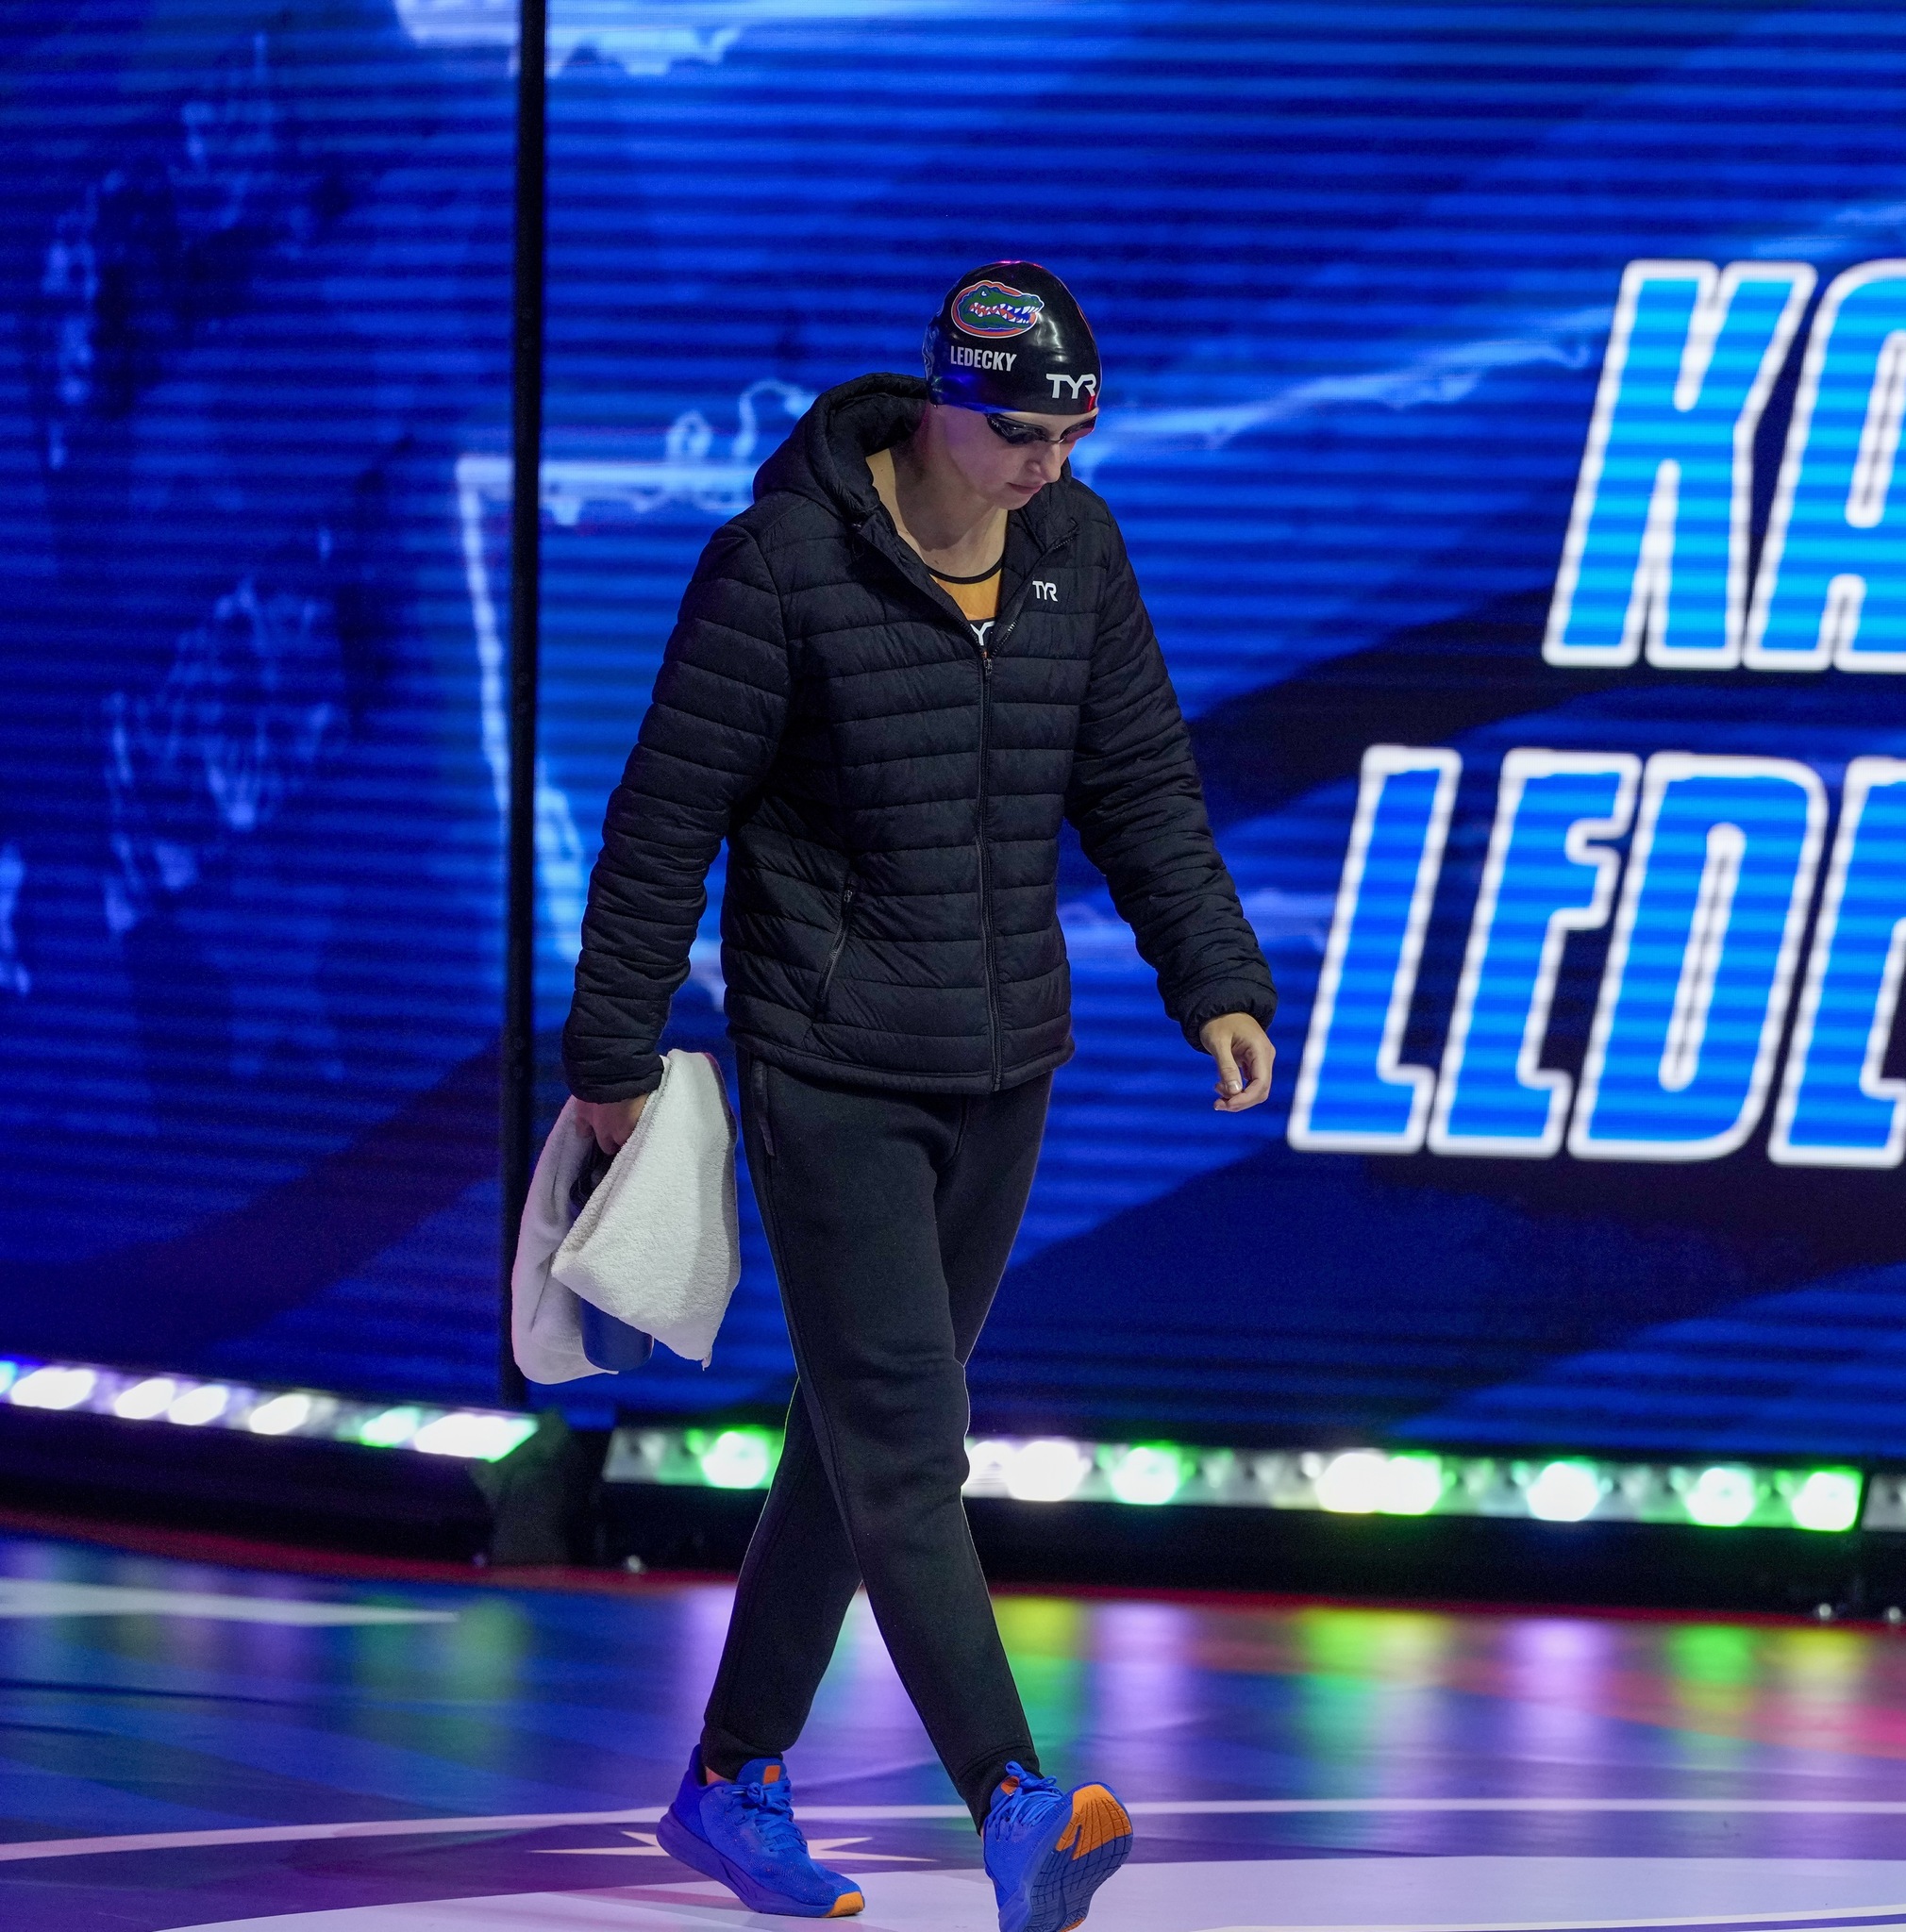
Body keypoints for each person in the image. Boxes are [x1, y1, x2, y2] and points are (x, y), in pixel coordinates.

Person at [560, 260, 1277, 1924]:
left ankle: (734, 1777)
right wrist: (612, 1057)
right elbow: (664, 820)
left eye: (1072, 435)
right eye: (1022, 433)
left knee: (862, 1430)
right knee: (908, 1448)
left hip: (1005, 1061)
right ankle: (1017, 1804)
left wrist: (1217, 979)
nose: (1049, 465)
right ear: (942, 405)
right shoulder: (781, 566)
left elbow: (1141, 779)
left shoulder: (1075, 555)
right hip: (830, 1069)